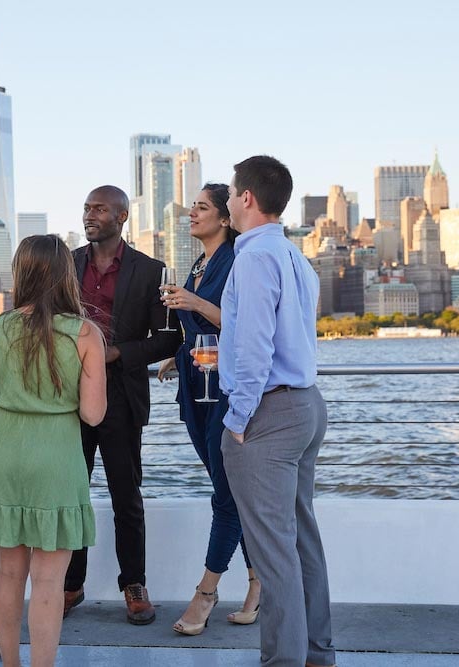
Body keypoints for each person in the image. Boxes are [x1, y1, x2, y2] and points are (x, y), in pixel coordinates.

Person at [219, 155, 336, 667]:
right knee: (301, 539)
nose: (225, 200)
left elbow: (254, 345)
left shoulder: (254, 257)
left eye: (229, 192)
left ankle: (284, 662)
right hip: (307, 406)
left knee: (273, 552)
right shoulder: (294, 256)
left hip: (269, 414)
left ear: (246, 198)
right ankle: (316, 654)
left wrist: (238, 419)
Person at [0, 234, 107, 667]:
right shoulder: (86, 334)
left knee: (8, 573)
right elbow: (92, 414)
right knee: (49, 582)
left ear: (22, 274)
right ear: (67, 274)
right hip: (57, 459)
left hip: (4, 454)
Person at [63, 185, 182, 625]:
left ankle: (134, 583)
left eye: (99, 209)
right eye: (86, 207)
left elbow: (168, 339)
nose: (89, 215)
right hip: (68, 400)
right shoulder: (67, 264)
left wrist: (117, 354)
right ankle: (71, 585)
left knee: (126, 497)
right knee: (72, 495)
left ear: (122, 216)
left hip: (122, 398)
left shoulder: (151, 271)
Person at [155, 183, 259, 635]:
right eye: (191, 207)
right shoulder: (199, 263)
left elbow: (241, 322)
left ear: (224, 217)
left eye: (201, 207)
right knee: (229, 490)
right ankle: (258, 583)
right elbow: (198, 332)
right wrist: (175, 357)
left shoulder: (238, 261)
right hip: (196, 386)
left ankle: (206, 592)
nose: (191, 214)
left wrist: (194, 302)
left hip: (228, 391)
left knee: (226, 495)